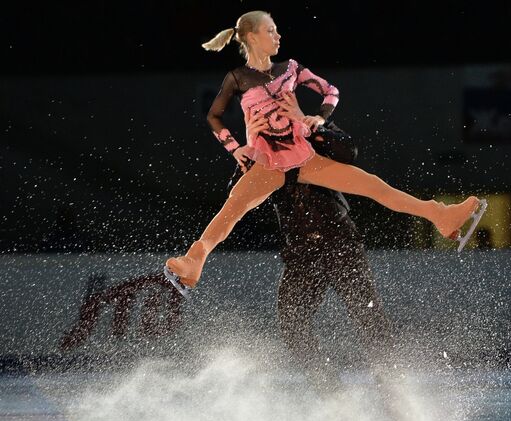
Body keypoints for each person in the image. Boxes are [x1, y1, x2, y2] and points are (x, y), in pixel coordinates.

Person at [164, 10, 487, 297]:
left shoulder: (291, 68)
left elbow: (330, 91)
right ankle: (194, 261)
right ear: (251, 37)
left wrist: (318, 117)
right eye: (271, 30)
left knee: (374, 185)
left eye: (276, 30)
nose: (278, 36)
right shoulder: (237, 78)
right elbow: (213, 116)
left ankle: (441, 216)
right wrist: (234, 148)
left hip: (305, 158)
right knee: (230, 212)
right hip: (267, 164)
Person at [228, 92, 395, 392]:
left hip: (339, 239)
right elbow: (237, 195)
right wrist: (247, 160)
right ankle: (330, 392)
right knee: (291, 318)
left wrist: (315, 125)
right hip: (300, 250)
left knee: (368, 315)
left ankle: (394, 387)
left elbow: (348, 152)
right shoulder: (260, 151)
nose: (273, 118)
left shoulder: (310, 131)